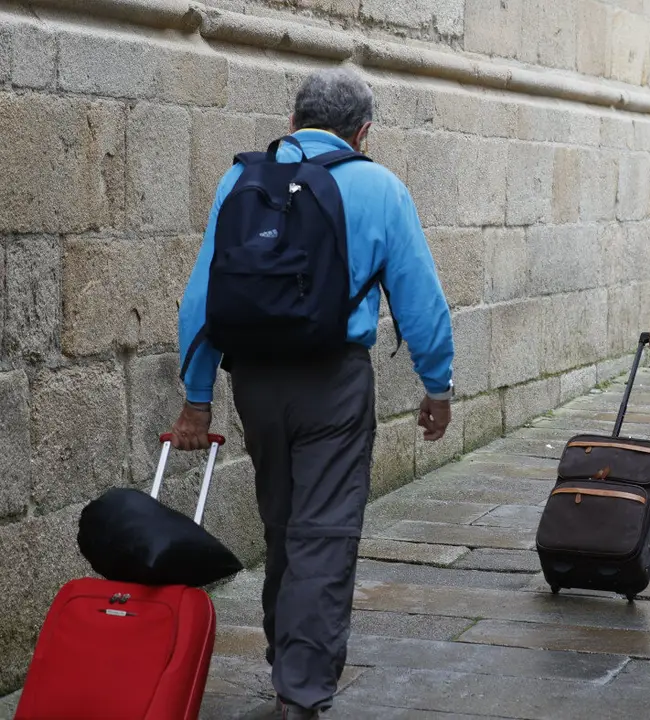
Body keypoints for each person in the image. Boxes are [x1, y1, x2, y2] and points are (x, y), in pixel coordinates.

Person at [170, 67, 456, 719]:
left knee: (283, 524)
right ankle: (300, 688)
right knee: (323, 533)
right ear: (363, 132)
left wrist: (196, 397)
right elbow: (421, 302)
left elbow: (199, 300)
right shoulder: (379, 186)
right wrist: (436, 385)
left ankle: (286, 657)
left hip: (256, 382)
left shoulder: (241, 179)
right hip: (333, 380)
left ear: (294, 122)